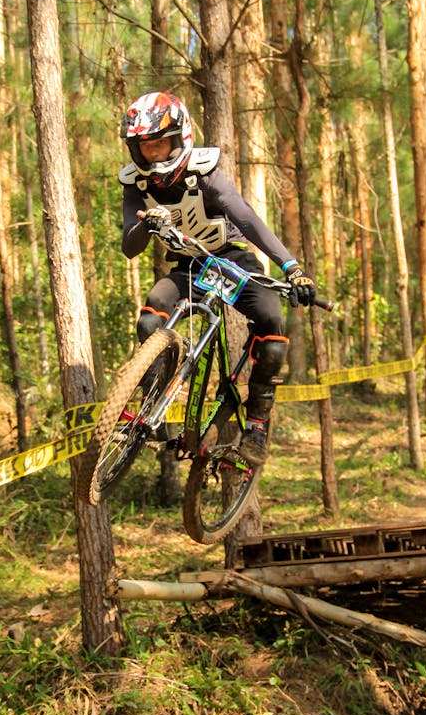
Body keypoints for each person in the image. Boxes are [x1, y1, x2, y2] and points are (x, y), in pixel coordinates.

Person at [119, 90, 316, 467]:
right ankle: (152, 405)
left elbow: (247, 219)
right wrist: (146, 224)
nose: (154, 154)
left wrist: (292, 268)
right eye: (145, 147)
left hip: (232, 261)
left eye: (160, 144)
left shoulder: (203, 173)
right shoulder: (136, 184)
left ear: (179, 139)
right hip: (188, 266)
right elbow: (131, 247)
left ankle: (256, 425)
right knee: (150, 317)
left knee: (272, 322)